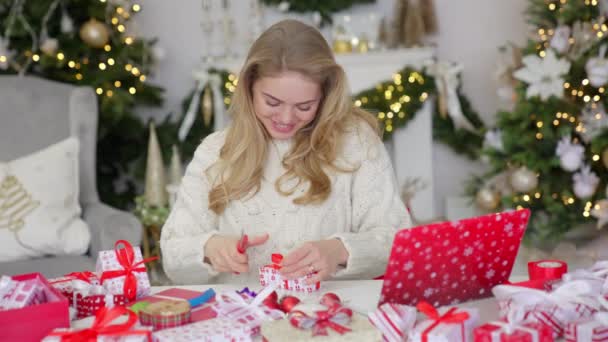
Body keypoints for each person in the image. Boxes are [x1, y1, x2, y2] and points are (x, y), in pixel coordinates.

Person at [160, 19, 411, 285]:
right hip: (242, 319)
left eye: (304, 106)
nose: (286, 117)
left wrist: (340, 251)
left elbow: (397, 241)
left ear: (325, 96)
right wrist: (210, 249)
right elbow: (172, 256)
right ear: (249, 89)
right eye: (272, 102)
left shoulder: (357, 143)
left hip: (333, 314)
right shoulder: (215, 152)